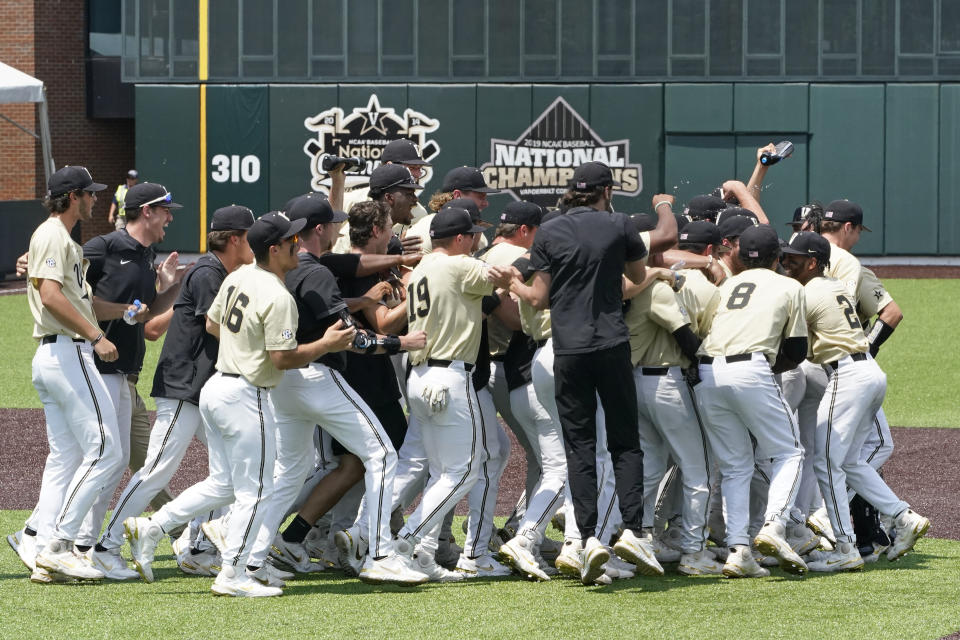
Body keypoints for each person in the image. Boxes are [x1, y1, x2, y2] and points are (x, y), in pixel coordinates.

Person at [125, 211, 338, 598]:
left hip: (217, 390)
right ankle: (233, 573)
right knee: (256, 489)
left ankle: (151, 528)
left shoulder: (238, 276)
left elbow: (212, 324)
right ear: (275, 249)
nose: (298, 244)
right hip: (245, 394)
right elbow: (282, 359)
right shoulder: (277, 294)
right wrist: (327, 344)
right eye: (292, 240)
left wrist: (246, 346)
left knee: (223, 484)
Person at [248, 195, 427, 586]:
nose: (337, 229)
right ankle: (379, 554)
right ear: (319, 230)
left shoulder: (270, 271)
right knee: (381, 453)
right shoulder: (314, 271)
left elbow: (346, 267)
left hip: (281, 382)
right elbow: (352, 339)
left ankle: (247, 553)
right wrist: (400, 344)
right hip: (315, 374)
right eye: (332, 223)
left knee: (290, 472)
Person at [508, 161, 661, 586]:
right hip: (611, 343)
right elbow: (637, 275)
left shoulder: (550, 230)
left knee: (579, 448)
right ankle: (633, 530)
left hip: (568, 350)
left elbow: (538, 298)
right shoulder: (620, 224)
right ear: (606, 190)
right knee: (625, 444)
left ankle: (588, 537)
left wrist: (514, 286)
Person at [93, 205, 256, 578]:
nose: (256, 245)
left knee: (227, 474)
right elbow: (216, 326)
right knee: (156, 470)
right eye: (250, 237)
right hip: (184, 386)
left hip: (204, 390)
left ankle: (199, 548)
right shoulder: (208, 272)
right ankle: (107, 545)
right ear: (234, 239)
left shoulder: (217, 270)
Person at [779, 232, 929, 571]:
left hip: (847, 375)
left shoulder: (806, 292)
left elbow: (795, 349)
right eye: (786, 257)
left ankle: (844, 547)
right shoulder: (832, 285)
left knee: (825, 462)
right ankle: (903, 516)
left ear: (813, 262)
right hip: (869, 370)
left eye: (794, 259)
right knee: (850, 462)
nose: (787, 262)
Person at [392, 206, 514, 577]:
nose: (477, 240)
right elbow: (503, 276)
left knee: (443, 470)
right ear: (459, 238)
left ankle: (423, 552)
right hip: (449, 376)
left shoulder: (424, 266)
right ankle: (405, 541)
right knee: (464, 473)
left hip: (421, 375)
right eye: (473, 234)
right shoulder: (460, 265)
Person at [23, 166, 123, 582]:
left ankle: (43, 546)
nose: (96, 199)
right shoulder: (52, 233)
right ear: (73, 196)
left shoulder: (62, 238)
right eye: (90, 193)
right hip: (67, 354)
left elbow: (73, 297)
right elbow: (49, 296)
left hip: (56, 355)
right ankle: (61, 544)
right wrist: (97, 335)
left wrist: (117, 316)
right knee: (107, 451)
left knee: (66, 457)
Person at [77, 183, 184, 561]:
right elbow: (66, 283)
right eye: (166, 210)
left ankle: (83, 542)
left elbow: (149, 318)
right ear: (147, 211)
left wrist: (169, 289)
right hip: (96, 368)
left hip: (125, 373)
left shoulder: (145, 254)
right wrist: (28, 262)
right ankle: (72, 541)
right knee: (105, 458)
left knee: (117, 459)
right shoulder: (104, 247)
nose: (170, 217)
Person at [695, 224, 808, 578]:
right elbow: (798, 350)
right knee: (790, 452)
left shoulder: (727, 284)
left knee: (735, 466)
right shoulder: (790, 285)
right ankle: (774, 526)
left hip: (707, 373)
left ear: (741, 256)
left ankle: (739, 549)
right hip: (751, 368)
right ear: (778, 257)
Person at [331, 139, 432, 252]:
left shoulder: (420, 213)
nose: (418, 175)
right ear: (390, 165)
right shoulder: (351, 199)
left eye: (419, 169)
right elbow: (329, 236)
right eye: (412, 168)